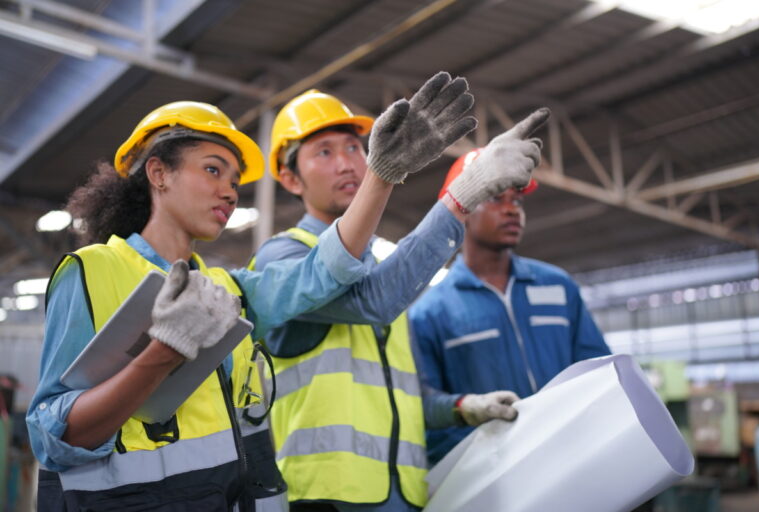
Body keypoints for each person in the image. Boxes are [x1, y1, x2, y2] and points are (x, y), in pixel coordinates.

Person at [25, 76, 472, 512]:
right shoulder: (93, 271)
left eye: (235, 181)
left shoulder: (227, 291)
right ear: (158, 173)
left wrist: (382, 175)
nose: (229, 192)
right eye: (213, 170)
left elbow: (321, 273)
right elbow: (51, 435)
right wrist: (162, 353)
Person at [253, 73, 549, 511]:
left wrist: (464, 407)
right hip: (325, 497)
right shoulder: (283, 258)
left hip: (406, 496)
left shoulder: (385, 265)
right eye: (324, 152)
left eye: (354, 146)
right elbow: (373, 300)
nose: (347, 163)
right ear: (290, 179)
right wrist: (461, 196)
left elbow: (402, 398)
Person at [409, 146, 612, 466]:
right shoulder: (430, 314)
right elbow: (429, 416)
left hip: (574, 458)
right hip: (494, 476)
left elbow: (598, 372)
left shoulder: (558, 287)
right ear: (461, 209)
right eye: (496, 199)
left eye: (517, 201)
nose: (512, 210)